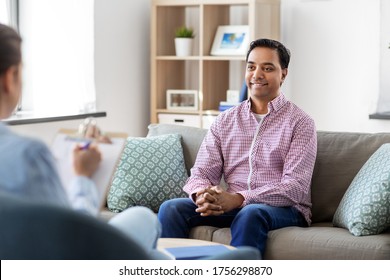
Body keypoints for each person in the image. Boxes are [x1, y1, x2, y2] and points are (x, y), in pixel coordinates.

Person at [0, 23, 163, 258]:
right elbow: (72, 240)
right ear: (10, 77)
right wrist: (83, 177)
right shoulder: (28, 155)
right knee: (145, 218)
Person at [158, 38, 318, 257]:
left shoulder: (300, 123)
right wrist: (202, 195)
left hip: (285, 209)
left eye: (268, 68)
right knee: (172, 208)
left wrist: (240, 198)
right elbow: (201, 172)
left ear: (283, 74)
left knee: (251, 213)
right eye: (251, 66)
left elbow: (294, 188)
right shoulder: (225, 121)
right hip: (233, 206)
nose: (257, 74)